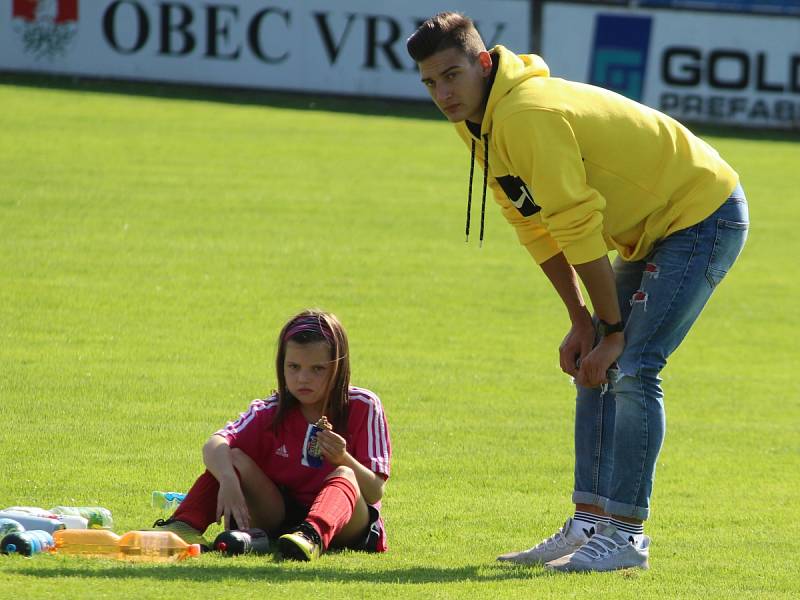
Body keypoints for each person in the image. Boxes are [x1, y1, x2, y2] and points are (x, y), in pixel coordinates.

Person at [406, 13, 748, 572]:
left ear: (483, 63)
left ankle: (627, 535)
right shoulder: (477, 121)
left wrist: (612, 330)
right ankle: (591, 523)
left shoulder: (526, 115)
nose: (443, 93)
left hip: (701, 214)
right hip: (650, 228)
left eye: (451, 75)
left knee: (633, 364)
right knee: (594, 358)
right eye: (430, 83)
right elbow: (532, 223)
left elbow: (577, 224)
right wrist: (583, 322)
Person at [153, 309, 391, 561]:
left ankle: (311, 535)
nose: (303, 378)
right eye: (294, 367)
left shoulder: (363, 405)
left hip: (347, 524)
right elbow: (214, 444)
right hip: (279, 518)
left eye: (317, 369)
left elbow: (374, 491)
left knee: (345, 473)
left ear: (338, 368)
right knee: (230, 458)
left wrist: (343, 457)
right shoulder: (271, 411)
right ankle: (183, 526)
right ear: (282, 365)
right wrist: (228, 479)